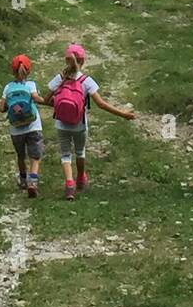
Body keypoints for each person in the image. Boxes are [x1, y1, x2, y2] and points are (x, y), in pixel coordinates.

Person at [46, 42, 135, 200]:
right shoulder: (86, 81)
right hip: (79, 124)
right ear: (83, 61)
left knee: (65, 154)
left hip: (61, 124)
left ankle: (69, 184)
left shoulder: (60, 78)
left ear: (67, 61)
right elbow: (101, 104)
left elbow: (47, 100)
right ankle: (80, 178)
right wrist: (123, 114)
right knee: (80, 152)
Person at [0, 53, 47, 198]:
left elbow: (2, 108)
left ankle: (23, 179)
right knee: (35, 157)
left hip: (16, 129)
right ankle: (33, 182)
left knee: (21, 155)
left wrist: (9, 106)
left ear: (12, 71)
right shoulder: (31, 85)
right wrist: (48, 100)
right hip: (33, 126)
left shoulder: (8, 87)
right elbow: (37, 99)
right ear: (29, 70)